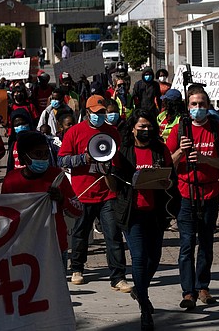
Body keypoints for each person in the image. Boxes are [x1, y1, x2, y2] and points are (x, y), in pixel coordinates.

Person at [166, 85, 219, 309]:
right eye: (194, 104)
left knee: (206, 243)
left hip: (210, 193)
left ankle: (202, 286)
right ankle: (188, 292)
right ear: (188, 107)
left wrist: (206, 159)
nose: (198, 108)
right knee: (187, 244)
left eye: (202, 104)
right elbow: (167, 164)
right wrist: (180, 152)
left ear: (208, 106)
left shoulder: (218, 128)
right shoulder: (180, 130)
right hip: (186, 194)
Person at [111, 109, 179, 331]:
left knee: (154, 259)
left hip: (155, 213)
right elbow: (115, 185)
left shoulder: (160, 150)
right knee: (139, 258)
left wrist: (164, 182)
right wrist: (107, 173)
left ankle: (139, 290)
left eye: (149, 126)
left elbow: (172, 180)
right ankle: (144, 305)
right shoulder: (124, 151)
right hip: (132, 213)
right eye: (141, 126)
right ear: (132, 128)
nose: (146, 130)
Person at [58, 95, 132, 292]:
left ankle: (118, 276)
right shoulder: (74, 132)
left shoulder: (112, 132)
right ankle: (77, 269)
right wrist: (84, 158)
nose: (100, 116)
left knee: (113, 235)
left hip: (106, 192)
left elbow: (117, 161)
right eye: (96, 113)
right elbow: (62, 161)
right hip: (82, 192)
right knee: (81, 234)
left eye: (103, 113)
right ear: (87, 112)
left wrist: (108, 168)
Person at [2, 131, 82, 262]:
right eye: (38, 154)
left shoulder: (57, 176)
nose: (43, 158)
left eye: (45, 154)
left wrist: (62, 199)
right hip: (23, 250)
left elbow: (78, 210)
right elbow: (4, 218)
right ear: (23, 157)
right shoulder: (11, 181)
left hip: (55, 247)